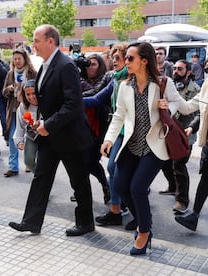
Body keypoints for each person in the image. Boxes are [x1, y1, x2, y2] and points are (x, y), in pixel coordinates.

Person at [8, 24, 95, 236]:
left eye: (36, 40)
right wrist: (40, 123)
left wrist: (48, 124)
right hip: (50, 135)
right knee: (41, 177)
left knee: (79, 181)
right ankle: (31, 221)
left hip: (69, 136)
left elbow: (73, 104)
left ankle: (85, 223)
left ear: (50, 41)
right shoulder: (46, 64)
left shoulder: (65, 65)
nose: (33, 45)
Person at [100, 41, 184, 255]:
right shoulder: (125, 86)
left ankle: (144, 232)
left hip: (153, 147)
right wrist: (109, 139)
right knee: (119, 186)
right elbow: (119, 115)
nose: (124, 61)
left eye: (130, 58)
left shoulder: (163, 84)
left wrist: (168, 106)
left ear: (144, 61)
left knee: (138, 188)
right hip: (131, 145)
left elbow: (181, 105)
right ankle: (142, 219)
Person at [82, 43, 134, 230]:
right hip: (118, 131)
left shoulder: (139, 80)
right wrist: (70, 101)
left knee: (128, 176)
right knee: (113, 169)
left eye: (119, 57)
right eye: (113, 58)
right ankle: (116, 210)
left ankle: (134, 213)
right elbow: (96, 98)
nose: (114, 61)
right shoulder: (116, 79)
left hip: (135, 134)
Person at [159, 60, 200, 216]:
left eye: (180, 69)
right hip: (169, 132)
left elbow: (199, 112)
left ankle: (182, 201)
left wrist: (192, 127)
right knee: (164, 162)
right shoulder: (169, 86)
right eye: (174, 68)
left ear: (188, 72)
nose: (175, 71)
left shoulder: (196, 90)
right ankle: (172, 187)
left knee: (179, 166)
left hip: (185, 133)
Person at [174, 79, 208, 231]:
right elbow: (193, 108)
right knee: (206, 178)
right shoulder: (207, 86)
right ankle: (194, 215)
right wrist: (192, 127)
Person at [2, 47, 37, 177]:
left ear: (25, 59)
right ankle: (13, 166)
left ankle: (30, 163)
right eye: (15, 59)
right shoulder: (10, 73)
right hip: (13, 109)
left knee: (31, 136)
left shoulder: (32, 72)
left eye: (19, 58)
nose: (17, 61)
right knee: (13, 137)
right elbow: (3, 92)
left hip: (29, 109)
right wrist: (10, 89)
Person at [82, 54, 111, 205]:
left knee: (91, 162)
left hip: (98, 129)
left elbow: (96, 95)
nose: (89, 67)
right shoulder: (82, 79)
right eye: (87, 64)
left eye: (93, 64)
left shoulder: (105, 79)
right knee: (82, 162)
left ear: (100, 65)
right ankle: (82, 190)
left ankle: (106, 186)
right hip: (81, 128)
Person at [13, 80, 38, 173]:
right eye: (28, 94)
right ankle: (39, 175)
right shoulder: (23, 107)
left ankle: (42, 178)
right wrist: (19, 141)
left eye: (34, 93)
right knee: (28, 160)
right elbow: (20, 126)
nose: (31, 97)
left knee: (43, 161)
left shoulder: (46, 103)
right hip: (32, 135)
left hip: (46, 136)